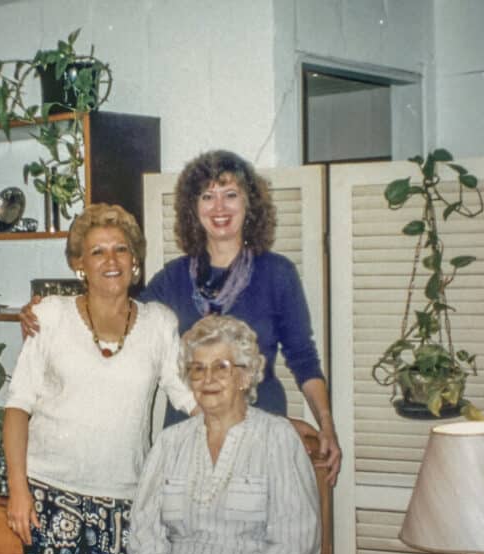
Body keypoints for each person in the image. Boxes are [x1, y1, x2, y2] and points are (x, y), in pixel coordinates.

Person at [20, 150, 341, 485]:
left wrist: (326, 423)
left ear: (249, 205)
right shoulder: (172, 278)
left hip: (258, 430)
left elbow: (304, 359)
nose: (219, 208)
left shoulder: (278, 274)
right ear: (193, 208)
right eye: (207, 197)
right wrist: (44, 315)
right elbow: (115, 320)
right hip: (188, 434)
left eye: (230, 195)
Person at [3, 203, 198, 554]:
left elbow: (191, 399)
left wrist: (264, 427)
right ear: (79, 264)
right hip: (50, 499)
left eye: (121, 250)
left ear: (135, 260)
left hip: (125, 503)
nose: (111, 261)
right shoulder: (49, 316)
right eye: (97, 252)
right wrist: (18, 489)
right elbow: (17, 406)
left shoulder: (158, 324)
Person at [101, 314, 321, 554]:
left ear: (245, 375)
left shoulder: (277, 437)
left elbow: (296, 539)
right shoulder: (171, 442)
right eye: (198, 369)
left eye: (221, 367)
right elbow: (147, 528)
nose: (208, 379)